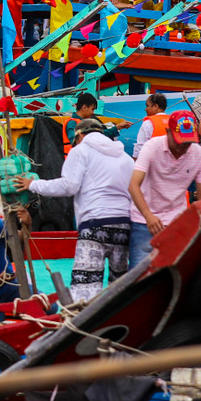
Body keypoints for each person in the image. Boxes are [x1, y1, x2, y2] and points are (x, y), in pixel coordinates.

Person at [14, 118, 134, 302]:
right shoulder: (124, 157)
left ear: (79, 136)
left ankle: (83, 325)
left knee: (86, 289)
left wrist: (34, 184)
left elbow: (69, 186)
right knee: (120, 286)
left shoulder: (80, 151)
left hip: (95, 224)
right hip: (123, 225)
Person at [128, 112, 201, 268]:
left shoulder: (198, 154)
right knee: (138, 274)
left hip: (176, 221)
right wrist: (148, 216)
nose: (183, 148)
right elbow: (133, 185)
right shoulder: (152, 147)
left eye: (187, 143)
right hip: (143, 221)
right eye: (180, 142)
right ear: (168, 132)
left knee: (176, 271)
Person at [132, 93, 169, 157]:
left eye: (147, 106)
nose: (145, 109)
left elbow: (140, 147)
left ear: (155, 106)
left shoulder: (148, 123)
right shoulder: (174, 121)